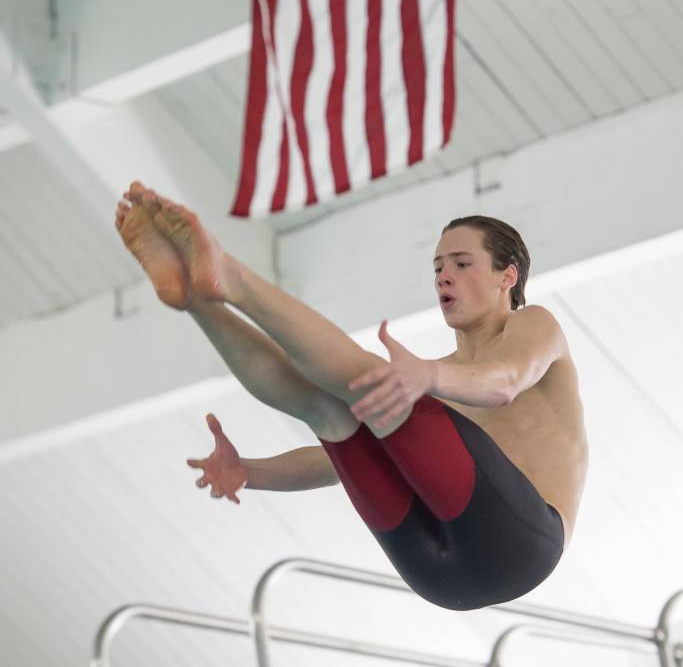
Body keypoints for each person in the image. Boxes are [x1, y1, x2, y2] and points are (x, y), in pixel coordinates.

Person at [115, 181, 588, 610]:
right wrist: (250, 473)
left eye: (462, 265)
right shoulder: (440, 378)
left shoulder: (532, 325)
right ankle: (195, 301)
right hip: (437, 577)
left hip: (522, 547)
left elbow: (505, 382)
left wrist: (425, 379)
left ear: (508, 276)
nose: (444, 277)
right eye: (438, 267)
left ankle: (232, 278)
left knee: (376, 387)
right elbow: (331, 465)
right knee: (330, 414)